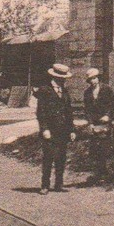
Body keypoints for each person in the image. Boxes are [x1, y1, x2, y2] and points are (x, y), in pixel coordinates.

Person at [32, 64, 75, 193]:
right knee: (48, 157)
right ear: (54, 77)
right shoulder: (45, 91)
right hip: (50, 130)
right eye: (61, 78)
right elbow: (41, 112)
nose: (63, 80)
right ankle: (45, 185)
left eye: (64, 78)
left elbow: (69, 112)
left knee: (61, 157)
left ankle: (59, 184)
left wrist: (72, 130)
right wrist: (44, 129)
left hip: (63, 130)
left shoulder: (65, 92)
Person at [82, 68, 113, 182]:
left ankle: (107, 174)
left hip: (105, 121)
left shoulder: (107, 89)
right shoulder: (87, 92)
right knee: (95, 148)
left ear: (98, 78)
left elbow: (112, 104)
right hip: (95, 123)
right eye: (91, 79)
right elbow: (87, 110)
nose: (93, 81)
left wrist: (108, 116)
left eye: (95, 78)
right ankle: (98, 174)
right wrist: (90, 123)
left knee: (105, 147)